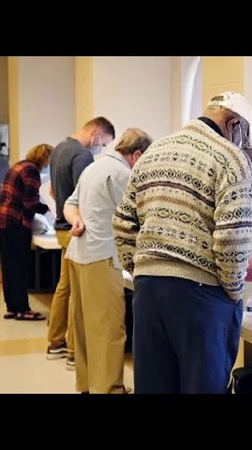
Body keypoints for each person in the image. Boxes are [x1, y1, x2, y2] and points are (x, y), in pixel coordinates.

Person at [113, 91, 252, 394]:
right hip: (201, 297)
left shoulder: (154, 152)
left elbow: (122, 222)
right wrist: (233, 291)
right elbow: (233, 237)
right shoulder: (231, 158)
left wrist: (143, 270)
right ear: (234, 125)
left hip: (148, 293)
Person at [63, 128, 153, 394]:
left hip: (79, 255)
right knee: (109, 328)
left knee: (84, 327)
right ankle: (110, 388)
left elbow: (71, 203)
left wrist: (76, 220)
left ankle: (89, 384)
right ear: (137, 155)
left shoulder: (94, 167)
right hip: (102, 257)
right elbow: (139, 218)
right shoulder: (123, 174)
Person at [46, 116, 116, 370]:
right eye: (104, 143)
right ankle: (75, 351)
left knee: (65, 287)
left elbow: (54, 192)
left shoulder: (59, 149)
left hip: (62, 227)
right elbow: (86, 198)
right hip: (79, 230)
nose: (102, 148)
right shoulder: (83, 157)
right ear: (97, 134)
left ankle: (55, 342)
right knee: (78, 293)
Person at [0, 143, 53, 321]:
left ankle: (12, 307)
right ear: (45, 158)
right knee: (20, 267)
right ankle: (23, 309)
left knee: (8, 267)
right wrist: (50, 209)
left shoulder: (18, 165)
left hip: (4, 221)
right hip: (17, 222)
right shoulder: (32, 171)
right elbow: (30, 202)